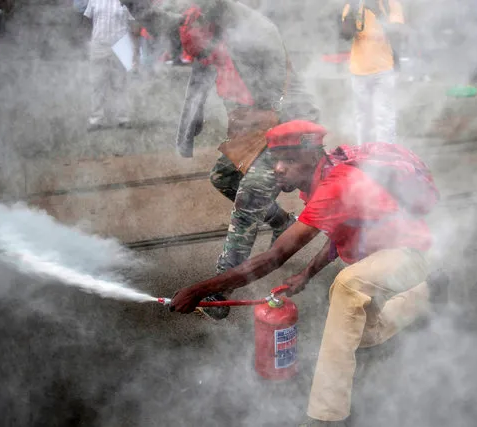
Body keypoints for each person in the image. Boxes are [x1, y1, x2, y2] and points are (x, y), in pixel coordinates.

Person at [171, 120, 446, 426]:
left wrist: (199, 290)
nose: (278, 168)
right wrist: (307, 274)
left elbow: (274, 257)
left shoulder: (334, 184)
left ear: (313, 156)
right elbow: (339, 231)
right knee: (361, 333)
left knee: (346, 287)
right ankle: (426, 293)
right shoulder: (322, 181)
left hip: (408, 254)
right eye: (275, 160)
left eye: (288, 160)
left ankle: (327, 415)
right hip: (386, 261)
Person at [175, 0, 319, 318]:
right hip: (252, 126)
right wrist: (187, 129)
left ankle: (217, 293)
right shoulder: (202, 24)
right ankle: (282, 223)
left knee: (249, 202)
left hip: (285, 126)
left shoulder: (256, 29)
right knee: (223, 178)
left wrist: (283, 142)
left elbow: (281, 92)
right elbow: (199, 75)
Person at [340, 0, 406, 145]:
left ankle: (386, 154)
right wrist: (352, 10)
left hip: (384, 69)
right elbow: (346, 34)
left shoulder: (391, 4)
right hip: (358, 71)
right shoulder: (353, 5)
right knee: (362, 118)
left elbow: (397, 33)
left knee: (384, 116)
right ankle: (363, 152)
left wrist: (378, 12)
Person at [83, 0, 140, 131]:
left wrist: (134, 49)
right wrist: (88, 43)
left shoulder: (125, 1)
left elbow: (134, 25)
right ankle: (96, 120)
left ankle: (123, 119)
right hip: (99, 44)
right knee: (97, 83)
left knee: (120, 84)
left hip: (121, 44)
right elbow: (87, 21)